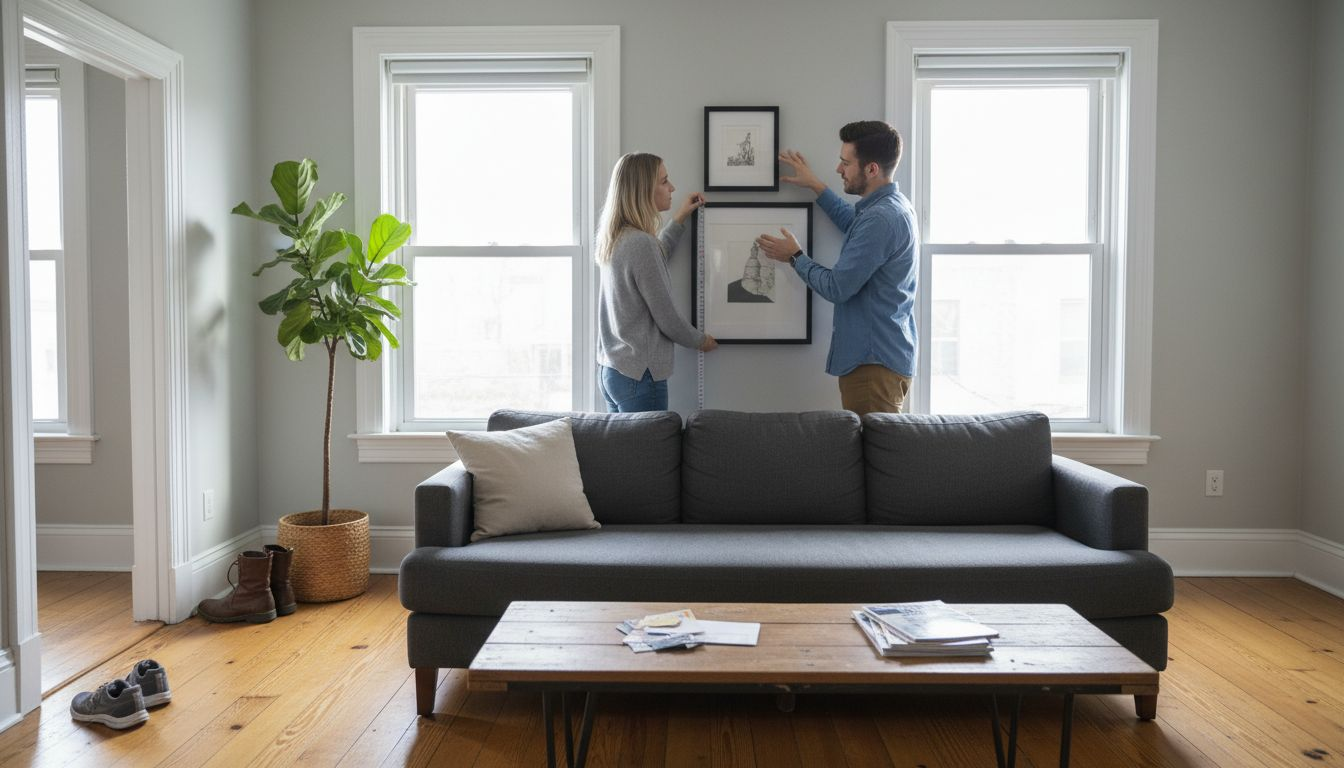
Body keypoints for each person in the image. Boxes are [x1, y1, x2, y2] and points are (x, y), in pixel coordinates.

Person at [755, 121, 919, 416]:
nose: (838, 168)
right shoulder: (890, 207)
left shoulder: (881, 219)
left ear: (871, 169)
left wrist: (795, 256)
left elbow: (837, 287)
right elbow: (855, 226)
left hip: (872, 369)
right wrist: (816, 186)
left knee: (875, 447)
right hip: (882, 360)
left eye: (846, 163)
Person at [596, 152, 717, 412]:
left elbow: (655, 257)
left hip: (614, 371)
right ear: (643, 190)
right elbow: (667, 317)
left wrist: (680, 218)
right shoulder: (641, 244)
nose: (672, 188)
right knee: (652, 442)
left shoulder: (619, 238)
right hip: (640, 376)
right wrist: (700, 341)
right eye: (664, 181)